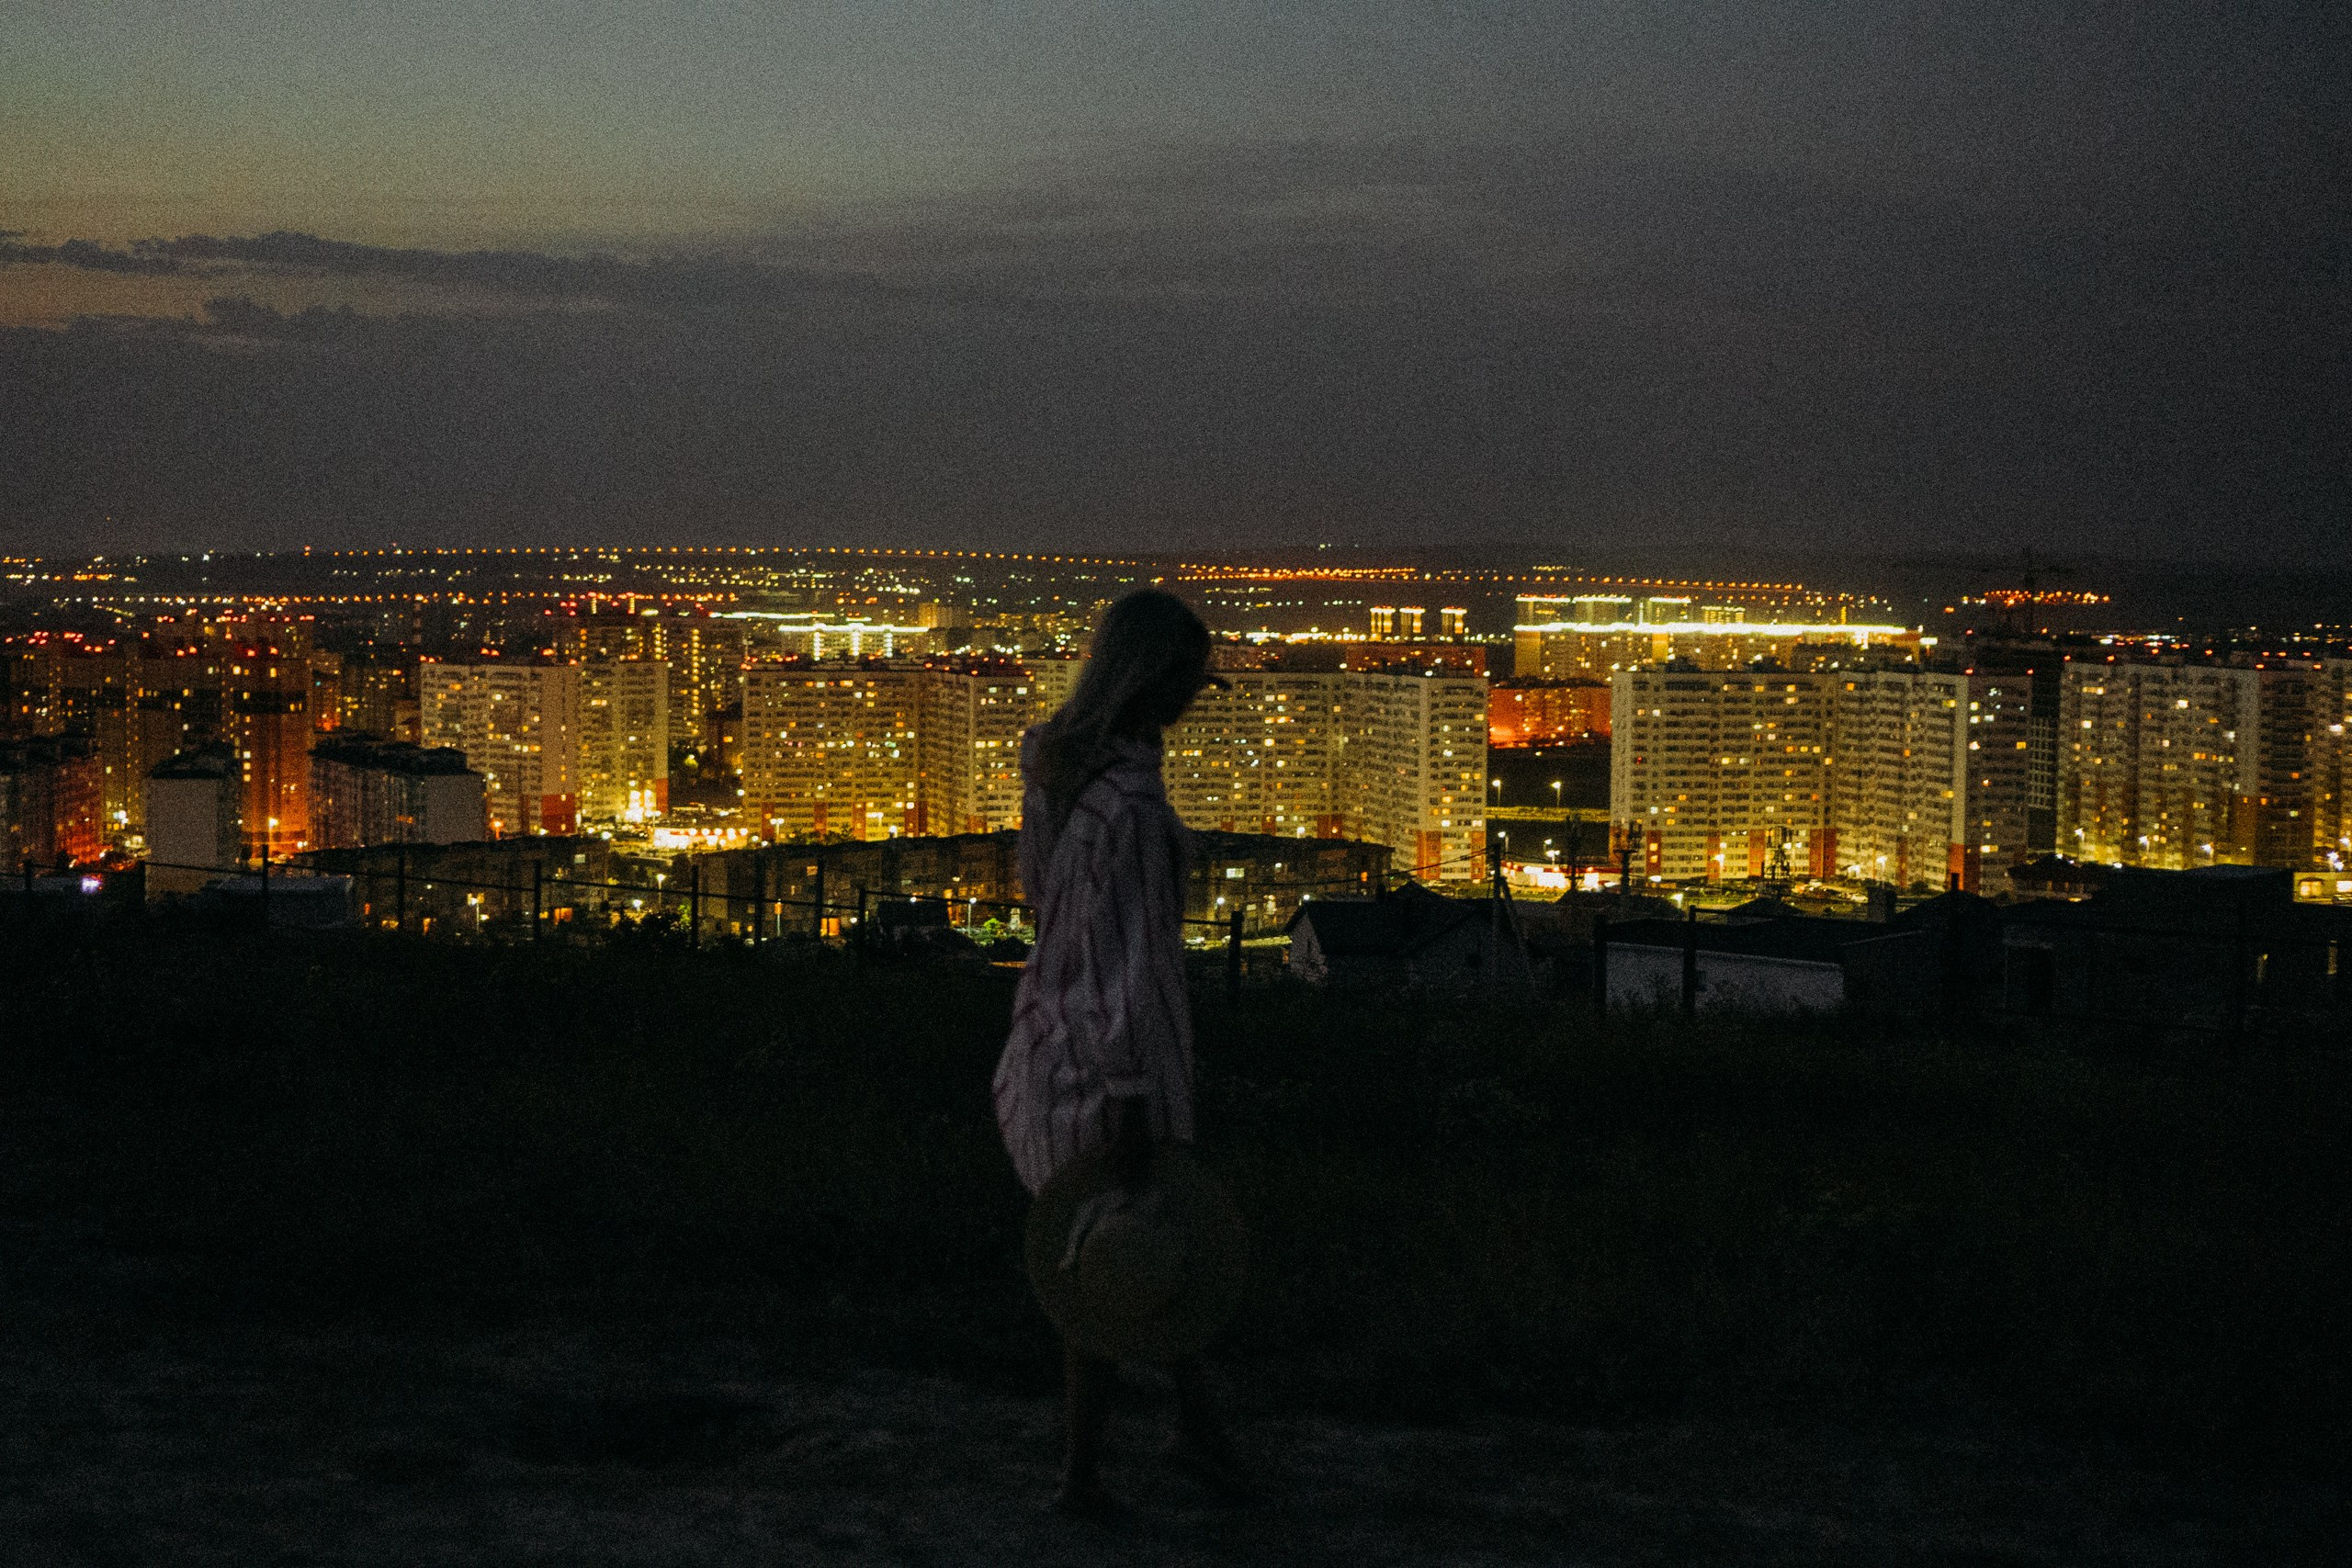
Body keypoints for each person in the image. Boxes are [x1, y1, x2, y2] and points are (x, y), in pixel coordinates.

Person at [991, 589, 1255, 1517]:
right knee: (1112, 1259)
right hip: (1108, 1065)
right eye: (1193, 683)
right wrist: (1136, 1095)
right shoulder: (1133, 808)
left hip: (1046, 1035)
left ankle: (1193, 1435)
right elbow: (1139, 965)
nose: (1197, 701)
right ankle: (1082, 1479)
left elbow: (1040, 898)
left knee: (1127, 1252)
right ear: (1160, 683)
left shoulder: (1062, 776)